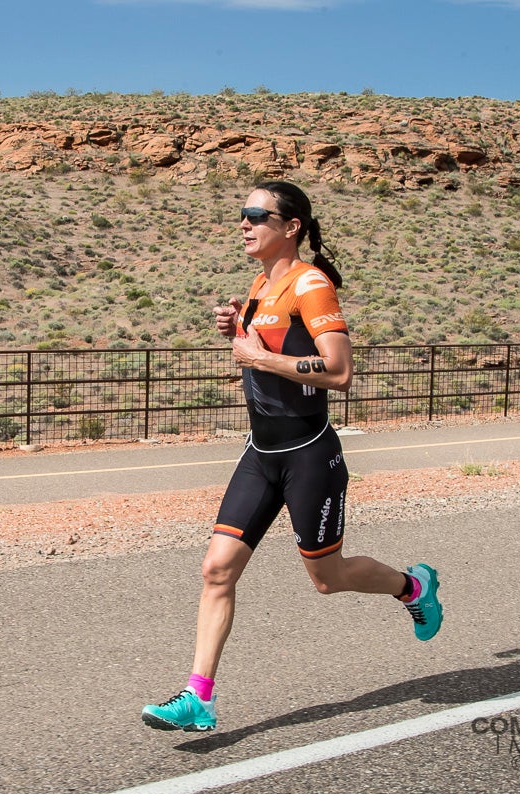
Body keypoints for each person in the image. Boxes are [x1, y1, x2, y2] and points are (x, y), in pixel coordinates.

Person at [141, 181, 443, 733]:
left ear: (292, 227)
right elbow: (272, 353)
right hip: (261, 452)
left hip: (308, 454)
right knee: (216, 570)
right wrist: (240, 330)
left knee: (326, 579)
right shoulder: (261, 284)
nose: (245, 223)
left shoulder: (312, 285)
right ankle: (197, 697)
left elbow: (339, 372)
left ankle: (413, 586)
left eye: (257, 215)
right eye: (242, 214)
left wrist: (258, 355)